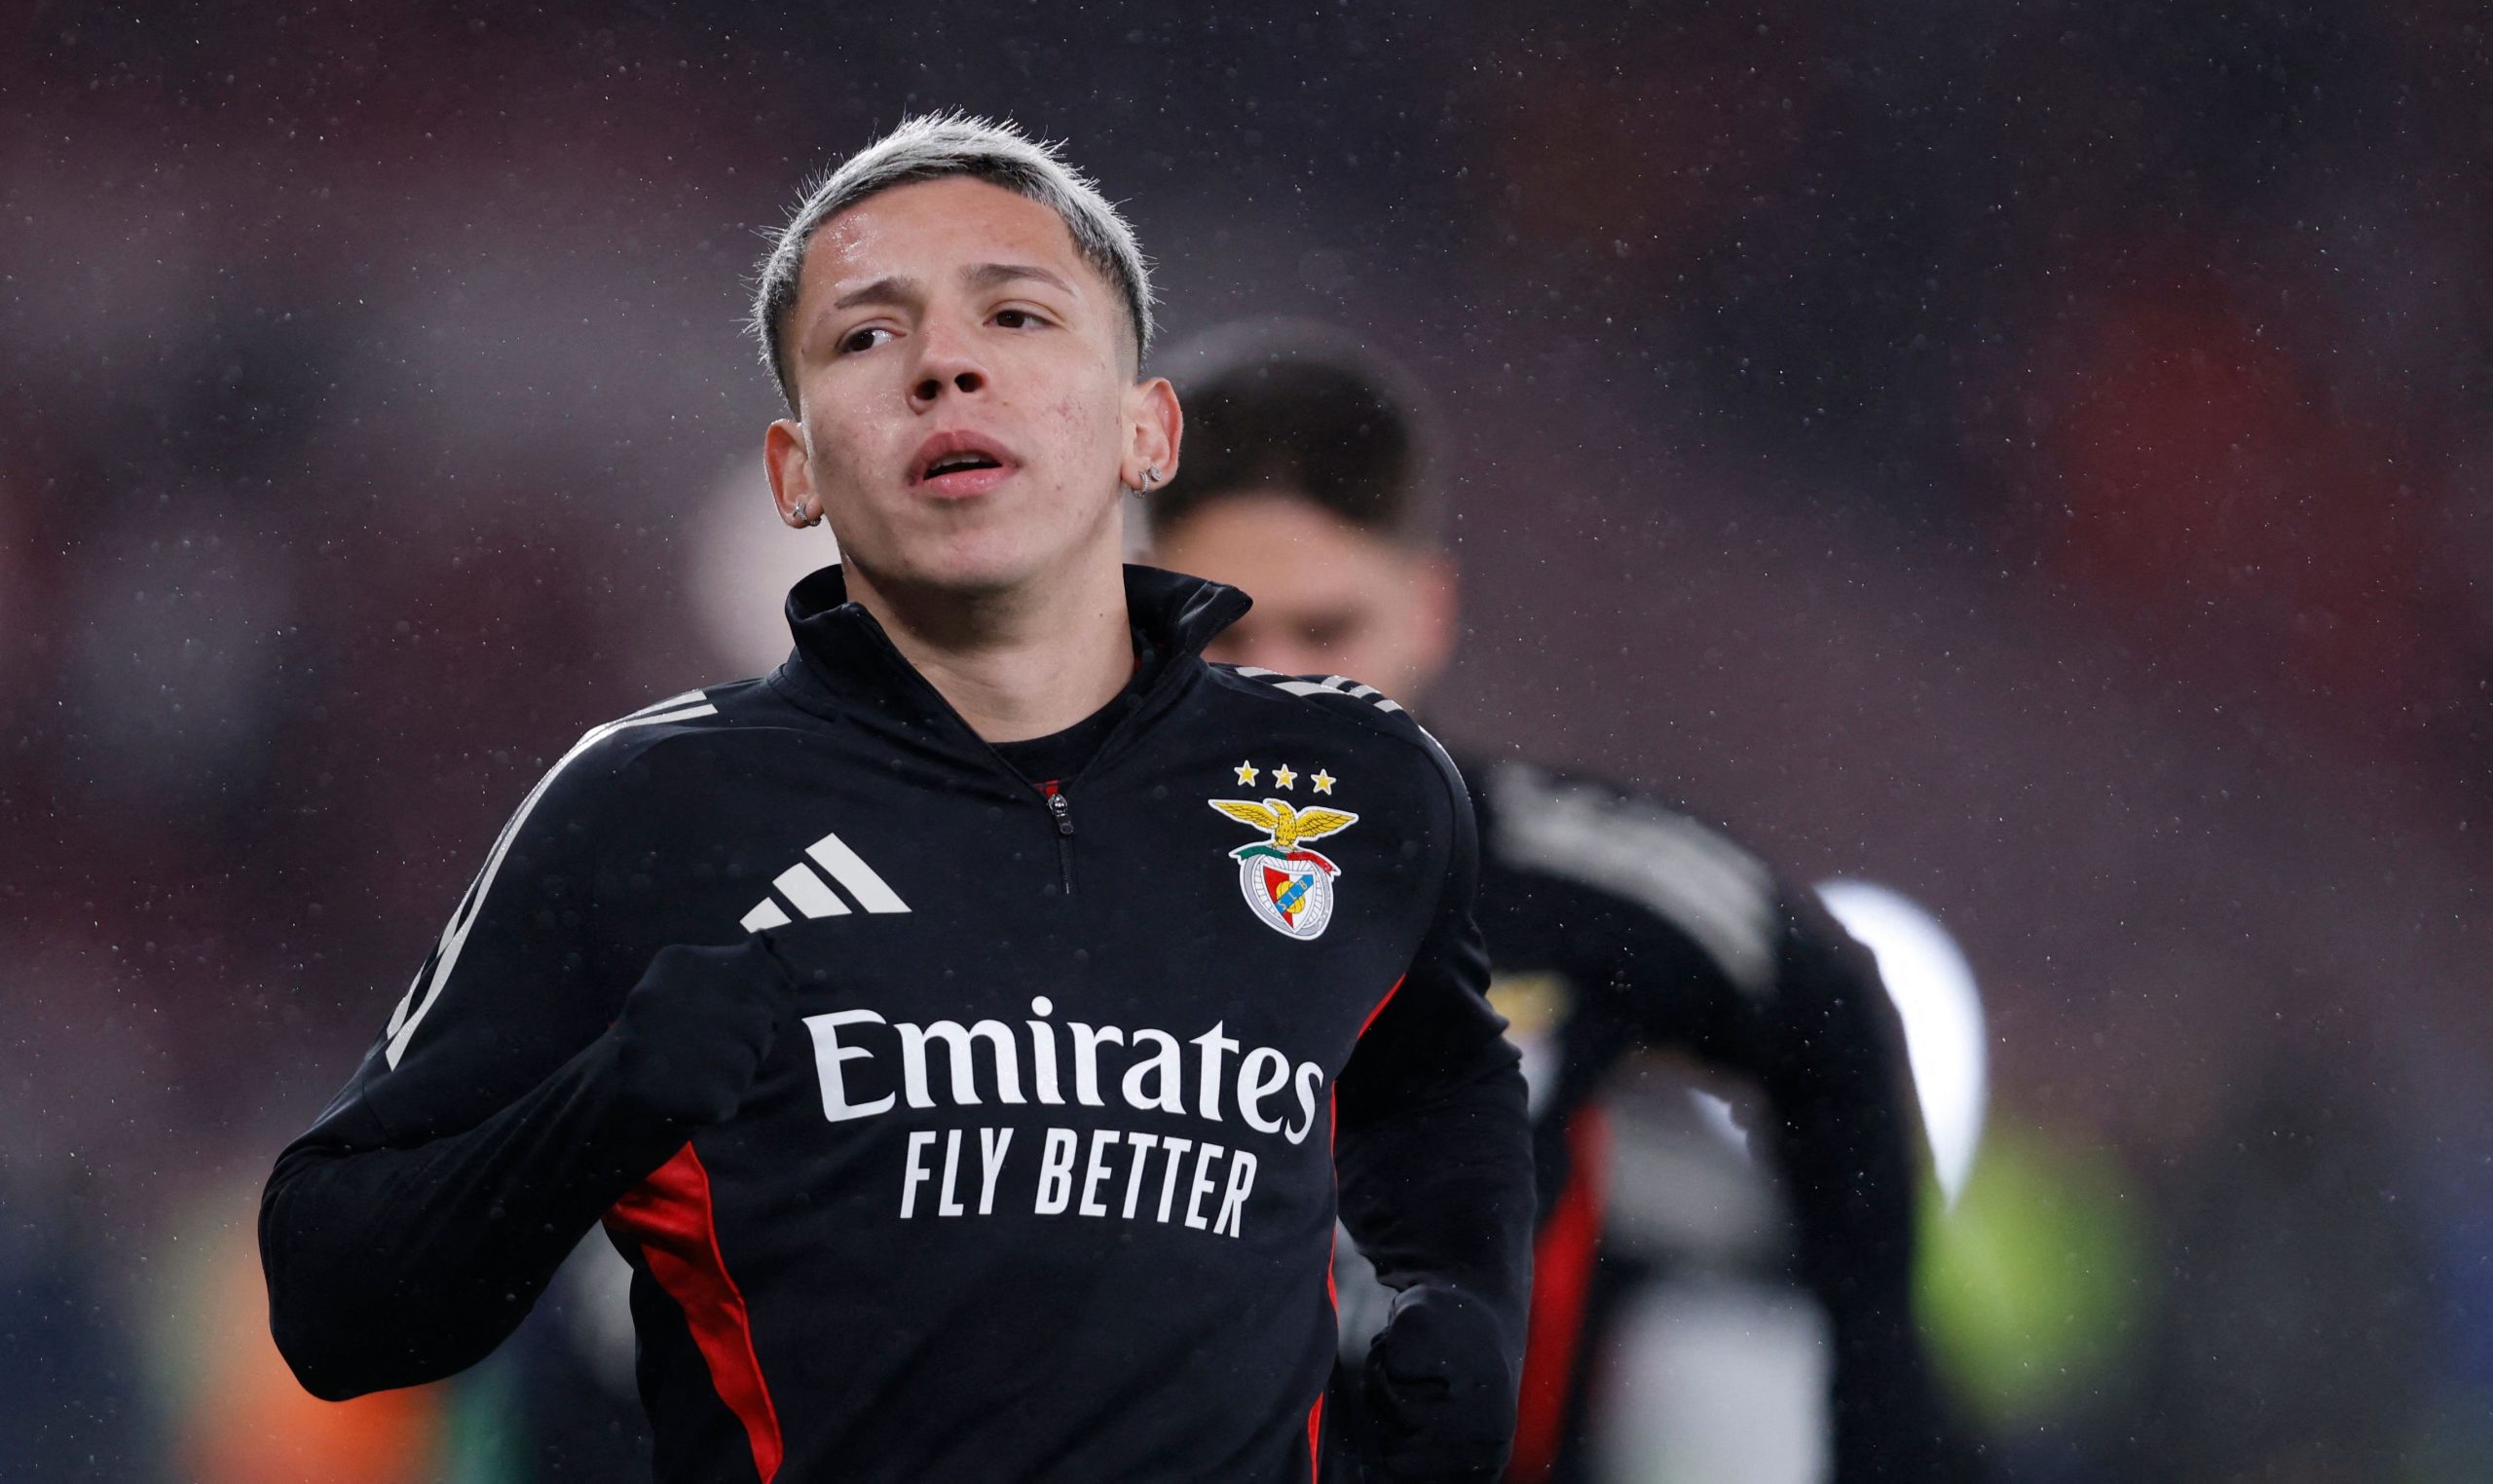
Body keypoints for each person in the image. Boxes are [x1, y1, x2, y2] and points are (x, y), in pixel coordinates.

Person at [259, 119, 1536, 1484]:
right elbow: (333, 1297)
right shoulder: (646, 802)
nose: (944, 363)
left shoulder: (1362, 784)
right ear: (794, 470)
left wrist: (1467, 1305)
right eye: (868, 336)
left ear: (1146, 430)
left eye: (1016, 314)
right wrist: (601, 1106)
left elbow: (1442, 1086)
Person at [1142, 322, 1980, 1484]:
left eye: (1327, 632)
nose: (1281, 685)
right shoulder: (1023, 870)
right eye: (1226, 632)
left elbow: (1824, 1015)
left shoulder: (1565, 878)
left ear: (1428, 610)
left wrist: (1883, 1424)